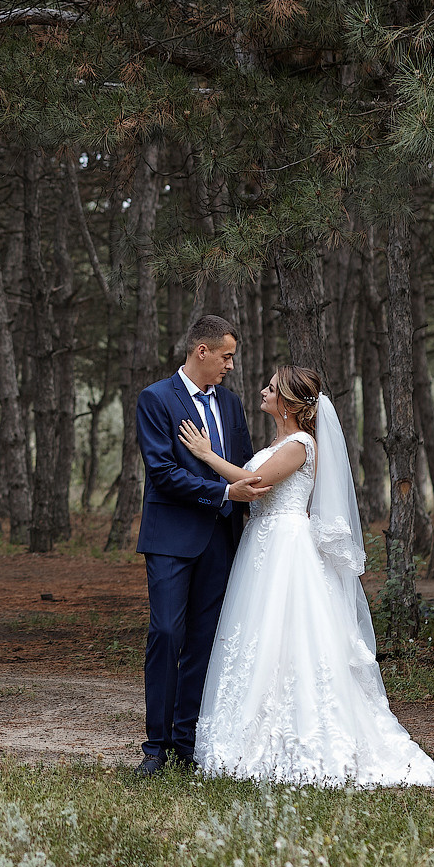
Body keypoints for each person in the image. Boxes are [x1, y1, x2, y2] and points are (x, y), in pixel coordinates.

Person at [178, 365, 434, 787]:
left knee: (289, 635)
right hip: (262, 543)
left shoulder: (301, 444)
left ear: (287, 403)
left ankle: (306, 739)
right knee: (257, 637)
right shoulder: (278, 440)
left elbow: (255, 483)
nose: (263, 391)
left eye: (271, 388)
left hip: (287, 547)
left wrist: (207, 455)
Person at [131, 315, 269, 776]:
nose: (231, 365)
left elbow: (242, 463)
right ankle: (156, 746)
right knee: (167, 633)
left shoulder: (230, 404)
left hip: (222, 537)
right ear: (202, 351)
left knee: (205, 640)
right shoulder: (155, 399)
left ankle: (187, 742)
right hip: (171, 537)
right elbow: (163, 472)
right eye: (226, 355)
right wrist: (223, 493)